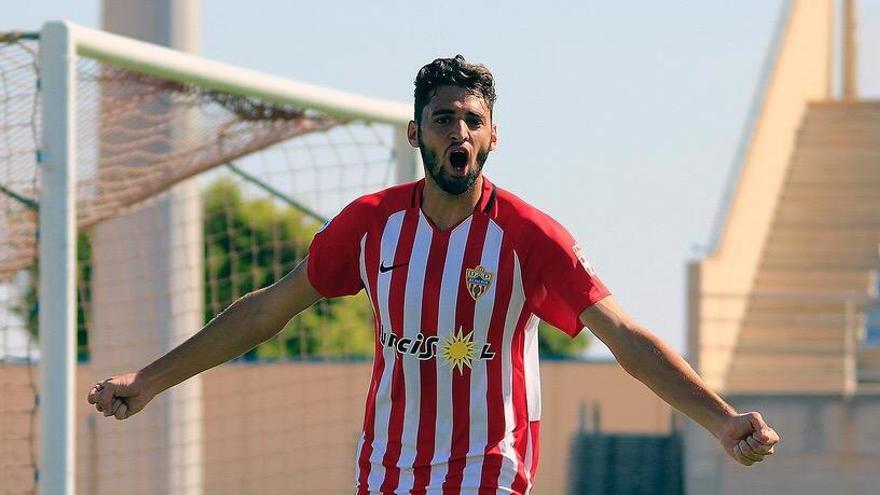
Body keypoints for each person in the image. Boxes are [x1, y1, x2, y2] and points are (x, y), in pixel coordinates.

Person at [88, 55, 779, 494]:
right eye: (443, 118)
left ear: (493, 136)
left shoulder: (529, 237)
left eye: (473, 120)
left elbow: (624, 336)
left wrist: (720, 420)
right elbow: (268, 309)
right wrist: (148, 380)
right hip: (384, 475)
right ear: (415, 133)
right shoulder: (369, 225)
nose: (460, 131)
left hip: (490, 471)